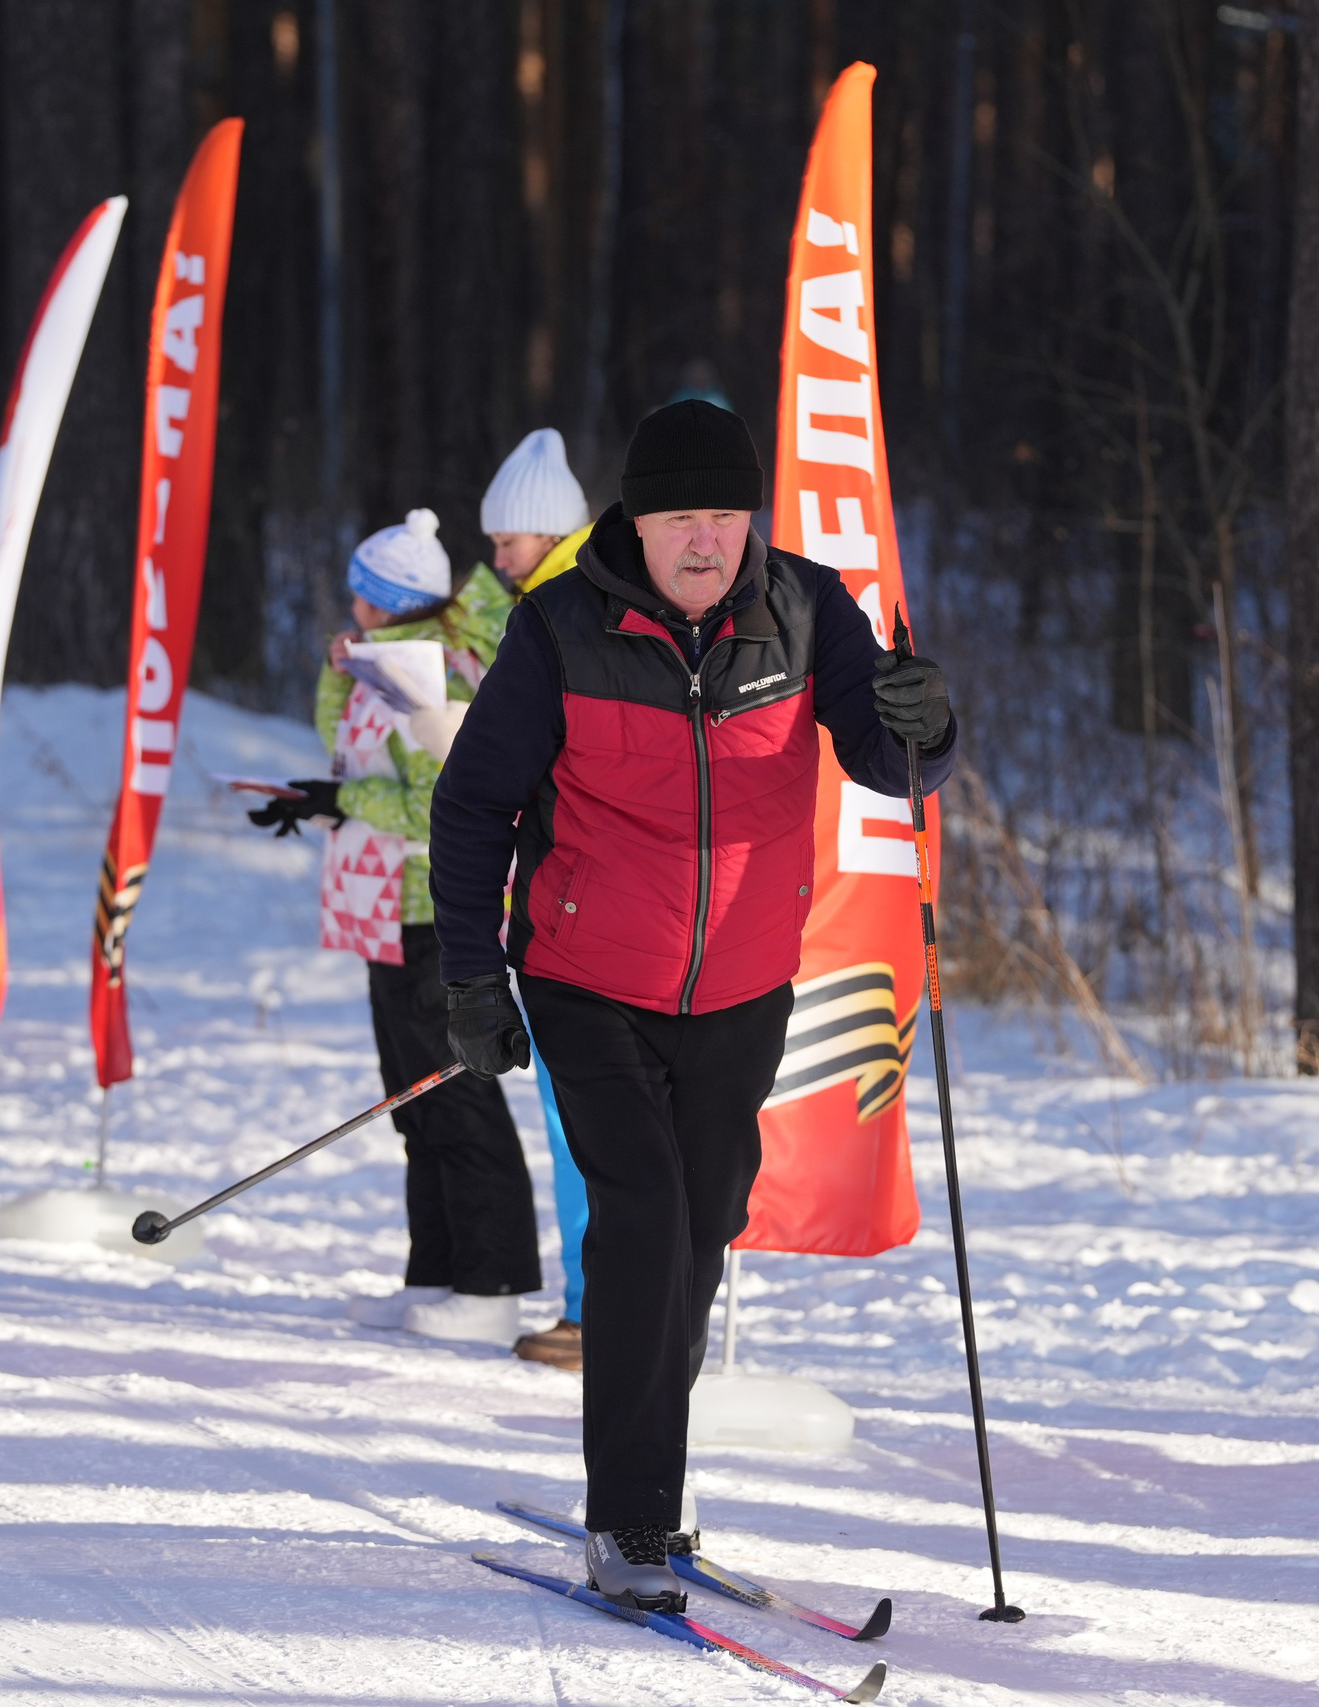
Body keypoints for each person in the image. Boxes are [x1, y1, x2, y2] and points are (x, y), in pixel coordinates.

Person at [429, 400, 956, 1612]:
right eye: (682, 520)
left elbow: (890, 759)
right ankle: (630, 1515)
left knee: (705, 1223)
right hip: (585, 980)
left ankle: (648, 1479)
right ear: (638, 522)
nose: (706, 541)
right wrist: (472, 977)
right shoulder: (558, 627)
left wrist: (924, 723)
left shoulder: (808, 607)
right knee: (647, 1219)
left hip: (741, 985)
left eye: (725, 516)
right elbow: (470, 811)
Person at [247, 507, 542, 1344]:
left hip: (434, 911)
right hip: (386, 915)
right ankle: (436, 1277)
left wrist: (344, 799)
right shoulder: (386, 665)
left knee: (459, 1099)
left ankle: (491, 1288)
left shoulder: (436, 676)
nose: (349, 603)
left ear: (388, 598)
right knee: (413, 1109)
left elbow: (434, 803)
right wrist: (327, 769)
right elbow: (349, 751)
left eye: (360, 592)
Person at [478, 429, 596, 1372]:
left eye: (505, 541)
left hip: (580, 919)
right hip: (575, 904)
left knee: (582, 1124)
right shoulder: (557, 601)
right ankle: (600, 1305)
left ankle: (598, 1310)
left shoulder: (559, 613)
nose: (494, 558)